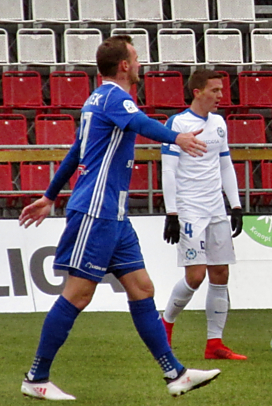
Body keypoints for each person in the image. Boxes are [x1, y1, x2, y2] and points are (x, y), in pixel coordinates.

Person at [19, 36, 221, 400]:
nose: (140, 63)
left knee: (142, 288)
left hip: (115, 214)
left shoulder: (97, 99)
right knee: (78, 294)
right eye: (136, 57)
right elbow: (141, 124)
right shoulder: (114, 96)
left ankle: (174, 373)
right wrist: (178, 138)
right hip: (97, 210)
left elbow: (76, 152)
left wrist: (50, 196)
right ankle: (36, 377)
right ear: (124, 65)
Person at [160, 69, 246, 360]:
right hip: (189, 210)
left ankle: (215, 344)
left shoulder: (219, 124)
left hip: (215, 209)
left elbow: (225, 165)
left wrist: (235, 205)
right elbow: (169, 169)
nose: (221, 96)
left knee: (220, 274)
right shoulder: (178, 124)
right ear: (197, 92)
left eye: (222, 90)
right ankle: (166, 325)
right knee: (195, 277)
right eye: (215, 90)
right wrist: (172, 213)